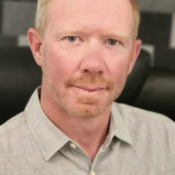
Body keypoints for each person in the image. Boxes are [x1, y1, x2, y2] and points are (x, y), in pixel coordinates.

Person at [1, 0, 175, 174]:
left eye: (113, 42)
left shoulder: (168, 140)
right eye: (72, 38)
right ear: (39, 48)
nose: (93, 65)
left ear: (132, 58)